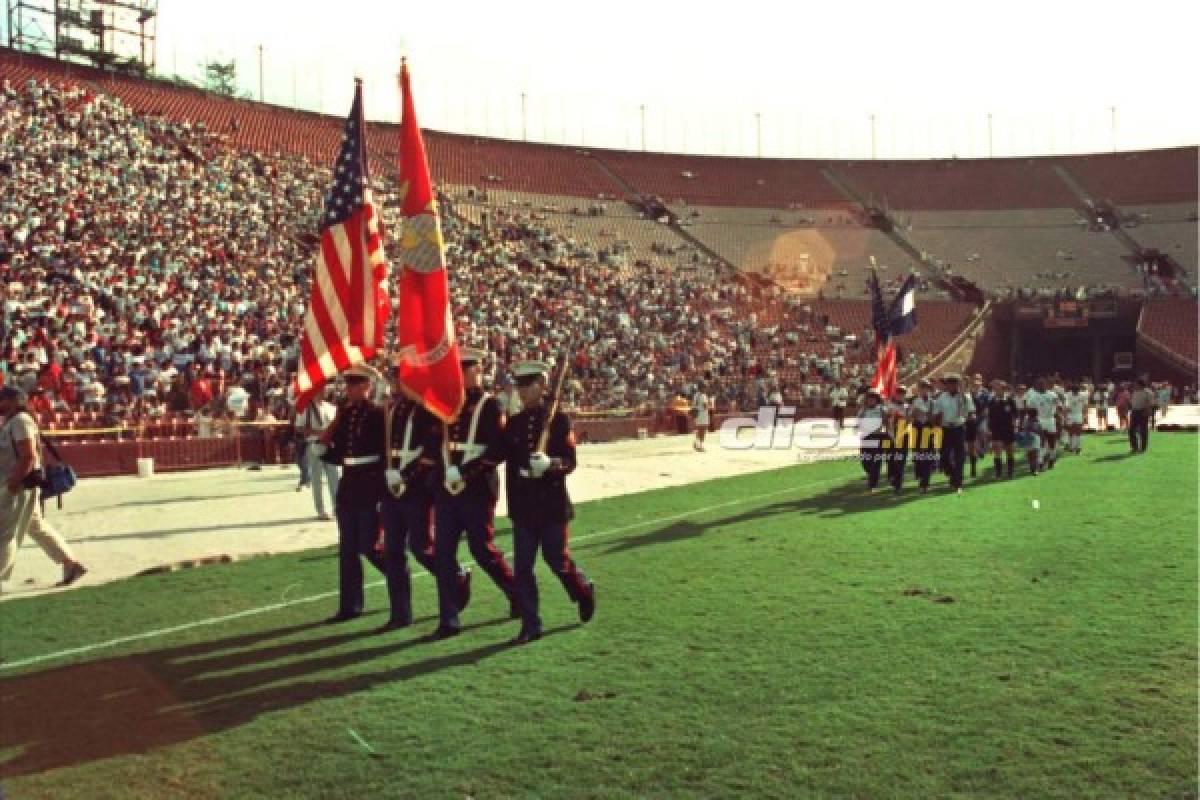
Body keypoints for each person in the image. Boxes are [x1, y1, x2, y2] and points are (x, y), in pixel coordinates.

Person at [502, 360, 596, 645]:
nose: (521, 392)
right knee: (522, 568)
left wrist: (550, 464)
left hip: (551, 505)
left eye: (527, 386)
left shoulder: (558, 420)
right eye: (519, 386)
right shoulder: (515, 423)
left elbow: (570, 462)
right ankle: (531, 625)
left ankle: (583, 590)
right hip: (525, 507)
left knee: (557, 561)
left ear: (542, 386)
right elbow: (508, 465)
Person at [431, 348, 517, 639]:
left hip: (477, 488)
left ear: (476, 371)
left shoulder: (490, 406)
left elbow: (498, 450)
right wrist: (442, 473)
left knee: (482, 549)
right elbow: (436, 444)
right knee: (443, 553)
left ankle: (515, 590)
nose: (460, 375)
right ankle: (449, 619)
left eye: (466, 369)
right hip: (447, 488)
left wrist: (466, 472)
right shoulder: (448, 405)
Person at [379, 390, 469, 631]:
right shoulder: (394, 408)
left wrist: (406, 477)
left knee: (421, 548)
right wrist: (388, 476)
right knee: (392, 552)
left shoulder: (428, 409)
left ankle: (457, 575)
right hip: (391, 485)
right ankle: (400, 613)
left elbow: (431, 451)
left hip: (417, 487)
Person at [318, 364, 388, 623]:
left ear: (366, 387)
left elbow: (383, 454)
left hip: (369, 485)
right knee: (348, 549)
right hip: (349, 486)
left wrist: (382, 488)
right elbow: (342, 453)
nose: (348, 390)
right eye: (347, 385)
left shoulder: (377, 414)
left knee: (369, 547)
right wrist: (325, 451)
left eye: (354, 385)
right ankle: (350, 605)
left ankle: (397, 579)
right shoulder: (345, 414)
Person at [0, 387, 87, 588]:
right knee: (36, 526)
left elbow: (29, 455)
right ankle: (70, 564)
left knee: (6, 533)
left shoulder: (20, 421)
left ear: (13, 401)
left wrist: (14, 481)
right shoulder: (13, 422)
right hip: (21, 485)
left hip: (19, 486)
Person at [297, 389, 339, 519]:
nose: (323, 391)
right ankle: (320, 509)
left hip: (330, 446)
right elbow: (300, 428)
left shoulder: (331, 407)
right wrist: (319, 432)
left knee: (334, 479)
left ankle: (337, 507)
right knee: (317, 480)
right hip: (315, 444)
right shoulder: (306, 408)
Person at [933, 373, 973, 493]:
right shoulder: (942, 397)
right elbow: (937, 413)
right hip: (945, 429)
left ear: (957, 385)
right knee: (943, 457)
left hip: (958, 428)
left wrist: (966, 410)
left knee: (959, 457)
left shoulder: (965, 397)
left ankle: (958, 483)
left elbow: (970, 412)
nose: (951, 386)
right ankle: (954, 475)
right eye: (949, 384)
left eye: (954, 384)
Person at [1023, 378, 1062, 471]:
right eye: (1038, 384)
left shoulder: (1052, 395)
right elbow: (1029, 410)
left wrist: (1059, 416)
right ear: (1036, 386)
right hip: (1039, 420)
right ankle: (1040, 462)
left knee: (1051, 441)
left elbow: (1059, 406)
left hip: (1050, 419)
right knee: (1041, 442)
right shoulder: (1033, 397)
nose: (1040, 386)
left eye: (1042, 384)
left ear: (1046, 385)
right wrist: (1030, 421)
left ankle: (1052, 459)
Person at [908, 379, 938, 493]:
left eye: (926, 387)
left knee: (927, 457)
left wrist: (927, 415)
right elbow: (911, 416)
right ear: (919, 389)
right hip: (917, 429)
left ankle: (925, 483)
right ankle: (921, 476)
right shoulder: (915, 402)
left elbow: (934, 418)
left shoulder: (933, 402)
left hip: (928, 429)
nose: (924, 390)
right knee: (919, 457)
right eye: (922, 387)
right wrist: (915, 413)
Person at [986, 380, 1019, 479]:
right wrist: (989, 430)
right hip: (996, 429)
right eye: (995, 389)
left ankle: (1010, 472)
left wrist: (1016, 425)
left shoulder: (1010, 400)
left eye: (998, 388)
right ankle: (998, 473)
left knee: (1010, 451)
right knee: (997, 451)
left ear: (1003, 389)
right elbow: (990, 417)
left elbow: (1016, 415)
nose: (996, 390)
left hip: (1009, 428)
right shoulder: (992, 402)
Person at [857, 390, 888, 491]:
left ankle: (873, 484)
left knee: (876, 461)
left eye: (873, 398)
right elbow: (859, 422)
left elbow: (886, 421)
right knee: (865, 460)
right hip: (866, 437)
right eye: (869, 398)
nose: (871, 400)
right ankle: (871, 474)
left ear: (877, 400)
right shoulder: (863, 410)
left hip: (877, 437)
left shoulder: (881, 409)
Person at [1128, 378, 1155, 453]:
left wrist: (1147, 411)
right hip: (1134, 412)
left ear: (1140, 384)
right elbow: (1132, 401)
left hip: (1143, 411)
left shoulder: (1148, 392)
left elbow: (1151, 403)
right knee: (1131, 430)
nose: (1134, 385)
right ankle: (1134, 447)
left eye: (1136, 384)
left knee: (1143, 431)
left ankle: (1143, 448)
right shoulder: (1134, 392)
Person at [1064, 383, 1089, 454]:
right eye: (1074, 391)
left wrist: (1085, 416)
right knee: (1071, 431)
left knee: (1078, 431)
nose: (1076, 392)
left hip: (1079, 414)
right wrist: (1066, 415)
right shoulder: (1068, 395)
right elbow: (1066, 406)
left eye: (1077, 391)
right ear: (1072, 391)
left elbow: (1085, 406)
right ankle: (1072, 447)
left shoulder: (1083, 395)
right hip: (1070, 415)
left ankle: (1078, 447)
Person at [692, 384, 710, 452]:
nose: (706, 388)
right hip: (703, 414)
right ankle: (701, 445)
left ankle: (696, 443)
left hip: (697, 414)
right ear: (702, 388)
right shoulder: (703, 395)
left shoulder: (696, 395)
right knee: (703, 430)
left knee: (699, 429)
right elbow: (705, 406)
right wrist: (710, 405)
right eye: (705, 387)